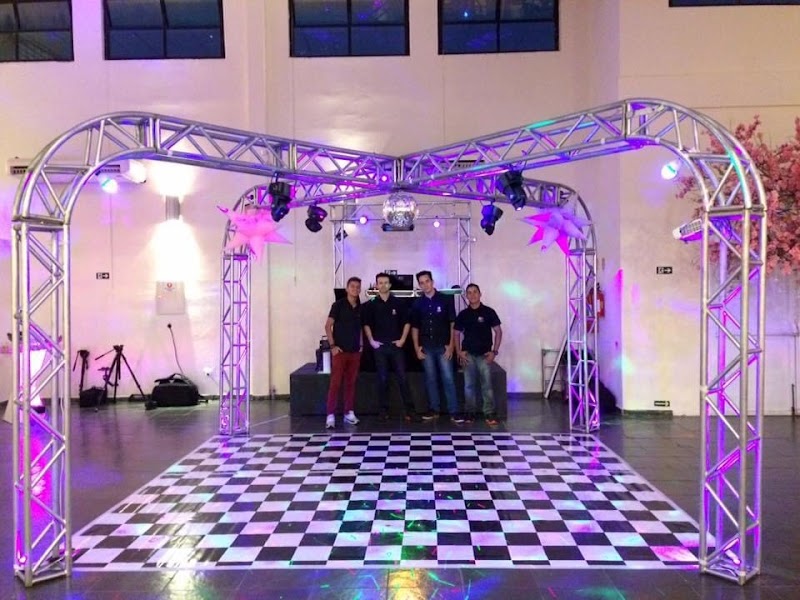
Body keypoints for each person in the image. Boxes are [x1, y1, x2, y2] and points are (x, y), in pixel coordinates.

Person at [362, 273, 419, 422]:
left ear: (390, 285)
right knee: (382, 379)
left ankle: (410, 411)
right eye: (380, 283)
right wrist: (372, 341)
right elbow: (366, 324)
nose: (383, 285)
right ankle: (383, 411)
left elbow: (407, 322)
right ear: (376, 285)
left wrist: (402, 340)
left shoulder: (399, 303)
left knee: (402, 378)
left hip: (396, 347)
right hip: (380, 348)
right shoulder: (372, 304)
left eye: (386, 282)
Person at [410, 270, 463, 423]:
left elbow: (453, 324)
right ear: (419, 285)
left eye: (427, 281)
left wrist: (451, 346)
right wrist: (416, 348)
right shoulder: (417, 304)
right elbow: (415, 327)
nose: (425, 285)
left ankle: (454, 411)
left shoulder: (445, 300)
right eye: (421, 283)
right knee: (430, 379)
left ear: (432, 282)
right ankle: (434, 409)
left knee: (448, 378)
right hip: (426, 347)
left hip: (443, 346)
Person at [455, 283, 503, 425]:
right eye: (469, 292)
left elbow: (498, 332)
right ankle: (470, 412)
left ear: (480, 294)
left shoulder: (489, 312)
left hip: (484, 355)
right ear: (466, 296)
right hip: (468, 355)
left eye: (475, 292)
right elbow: (456, 333)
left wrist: (494, 352)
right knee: (468, 386)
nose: (472, 295)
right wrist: (458, 352)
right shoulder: (463, 314)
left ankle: (489, 413)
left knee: (486, 385)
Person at [324, 277, 363, 429]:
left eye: (358, 287)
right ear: (347, 288)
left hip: (355, 352)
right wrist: (332, 346)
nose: (355, 289)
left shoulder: (360, 307)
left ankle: (349, 412)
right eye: (352, 286)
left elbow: (360, 328)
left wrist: (361, 344)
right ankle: (330, 414)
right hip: (339, 351)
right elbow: (328, 326)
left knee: (351, 383)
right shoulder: (338, 305)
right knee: (335, 383)